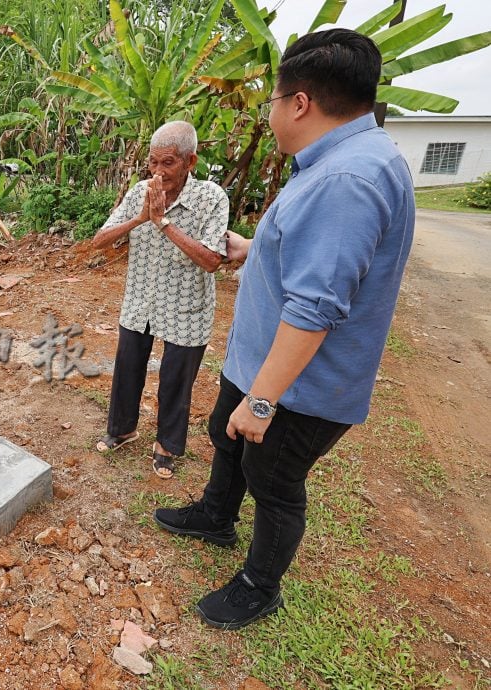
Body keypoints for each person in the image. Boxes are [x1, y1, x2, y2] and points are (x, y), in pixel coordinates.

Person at [154, 28, 415, 630]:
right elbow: (315, 256)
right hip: (259, 361)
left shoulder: (345, 181)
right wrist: (257, 249)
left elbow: (315, 309)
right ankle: (216, 515)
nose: (270, 112)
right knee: (225, 435)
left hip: (297, 384)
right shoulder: (346, 156)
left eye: (273, 100)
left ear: (300, 103)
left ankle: (258, 584)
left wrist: (264, 398)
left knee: (273, 481)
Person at [91, 121, 229, 479]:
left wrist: (163, 222)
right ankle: (122, 429)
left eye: (167, 163)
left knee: (175, 381)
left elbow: (213, 260)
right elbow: (99, 240)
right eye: (153, 162)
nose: (158, 172)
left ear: (190, 161)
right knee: (127, 370)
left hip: (187, 308)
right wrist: (140, 218)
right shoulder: (141, 192)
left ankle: (167, 445)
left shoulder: (211, 198)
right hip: (140, 303)